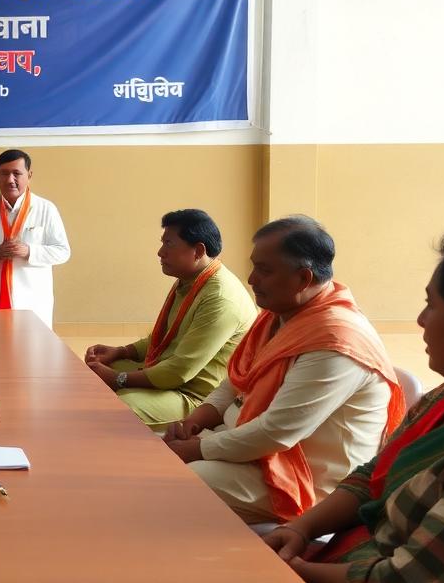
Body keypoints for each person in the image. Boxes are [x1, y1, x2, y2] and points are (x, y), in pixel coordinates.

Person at [264, 226, 444, 583]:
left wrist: (291, 570)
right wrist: (301, 528)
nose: (420, 320)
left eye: (431, 305)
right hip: (352, 553)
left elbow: (406, 579)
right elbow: (374, 475)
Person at [162, 215, 406, 523]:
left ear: (303, 279)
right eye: (253, 266)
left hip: (304, 479)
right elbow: (236, 383)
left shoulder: (335, 340)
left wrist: (199, 447)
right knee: (152, 457)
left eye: (264, 270)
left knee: (173, 483)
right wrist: (195, 422)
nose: (251, 279)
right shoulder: (281, 314)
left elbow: (276, 432)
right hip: (251, 452)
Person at [84, 209, 256, 427]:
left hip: (195, 397)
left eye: (169, 244)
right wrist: (121, 351)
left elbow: (180, 371)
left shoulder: (221, 298)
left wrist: (119, 379)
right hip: (169, 379)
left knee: (115, 410)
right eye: (162, 243)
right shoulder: (190, 280)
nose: (160, 252)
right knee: (92, 372)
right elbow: (164, 337)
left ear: (198, 250)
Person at [0, 149, 71, 328]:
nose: (10, 179)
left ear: (29, 175)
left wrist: (29, 251)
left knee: (33, 354)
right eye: (4, 173)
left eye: (17, 173)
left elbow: (63, 251)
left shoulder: (46, 209)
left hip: (33, 304)